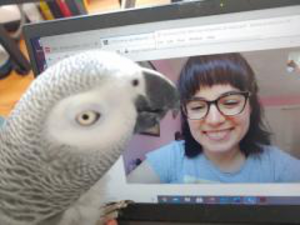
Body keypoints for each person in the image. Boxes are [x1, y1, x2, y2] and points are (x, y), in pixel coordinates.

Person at [127, 53, 300, 184]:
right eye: (197, 107)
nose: (214, 120)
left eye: (230, 102)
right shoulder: (170, 159)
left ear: (250, 106)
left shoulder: (279, 167)